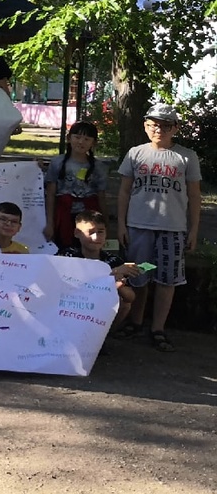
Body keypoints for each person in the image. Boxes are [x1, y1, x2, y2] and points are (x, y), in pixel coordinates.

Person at [115, 103, 202, 352]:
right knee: (138, 276)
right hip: (139, 226)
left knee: (167, 279)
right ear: (145, 126)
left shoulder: (186, 157)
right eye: (153, 124)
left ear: (175, 128)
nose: (158, 130)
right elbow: (124, 191)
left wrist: (193, 229)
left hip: (172, 228)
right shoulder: (136, 153)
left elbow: (194, 196)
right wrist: (121, 224)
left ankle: (158, 329)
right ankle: (136, 322)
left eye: (165, 125)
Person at [59, 210, 140, 332]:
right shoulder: (67, 256)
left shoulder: (113, 260)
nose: (96, 237)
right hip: (72, 305)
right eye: (90, 232)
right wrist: (112, 273)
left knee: (123, 303)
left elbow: (130, 298)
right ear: (77, 233)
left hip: (100, 310)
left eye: (100, 232)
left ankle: (103, 337)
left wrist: (119, 285)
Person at [43, 120, 107, 249]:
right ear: (69, 138)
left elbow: (101, 196)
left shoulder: (99, 167)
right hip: (63, 215)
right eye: (77, 137)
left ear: (94, 143)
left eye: (87, 139)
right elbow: (50, 194)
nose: (81, 142)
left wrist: (105, 223)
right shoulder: (57, 163)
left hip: (90, 218)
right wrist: (50, 223)